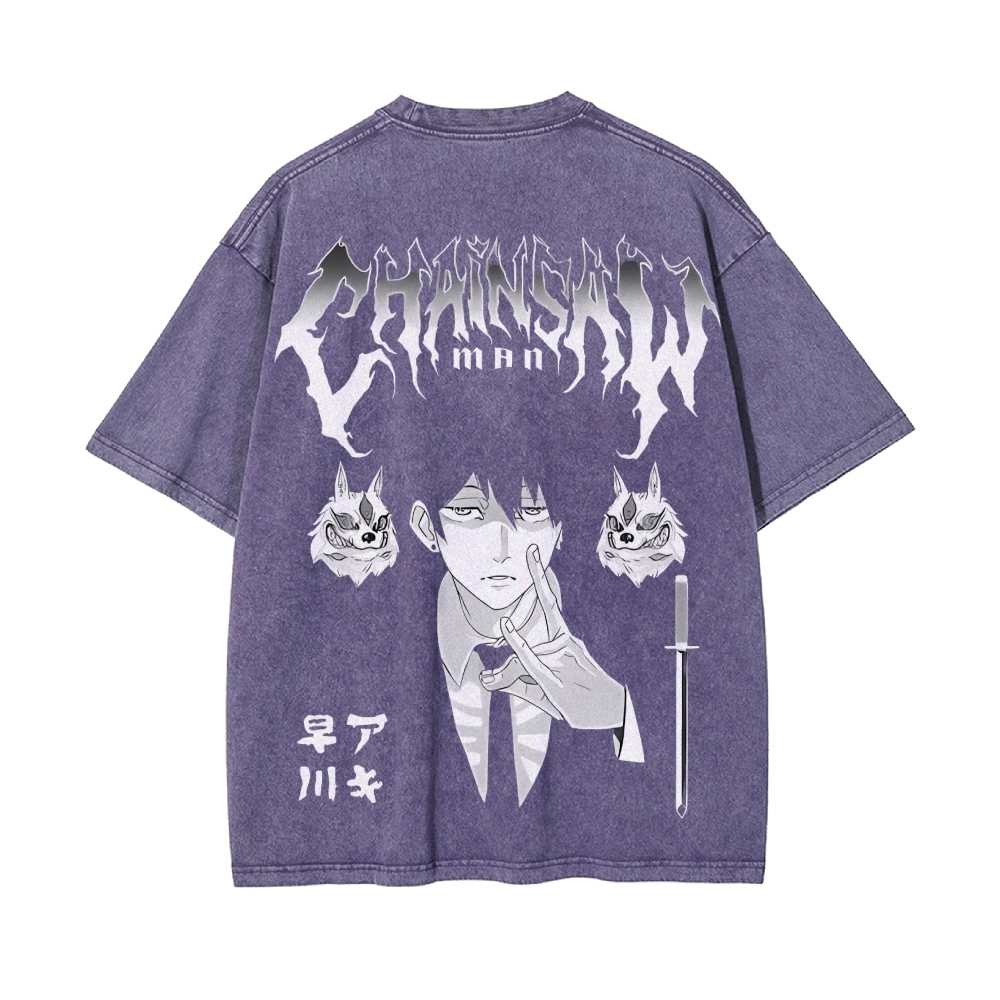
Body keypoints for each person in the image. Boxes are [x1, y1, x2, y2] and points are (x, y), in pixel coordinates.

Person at [409, 472, 643, 805]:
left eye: (532, 512)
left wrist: (619, 715)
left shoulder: (616, 627)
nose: (500, 548)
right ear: (426, 527)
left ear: (558, 530)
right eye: (466, 511)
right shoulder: (395, 651)